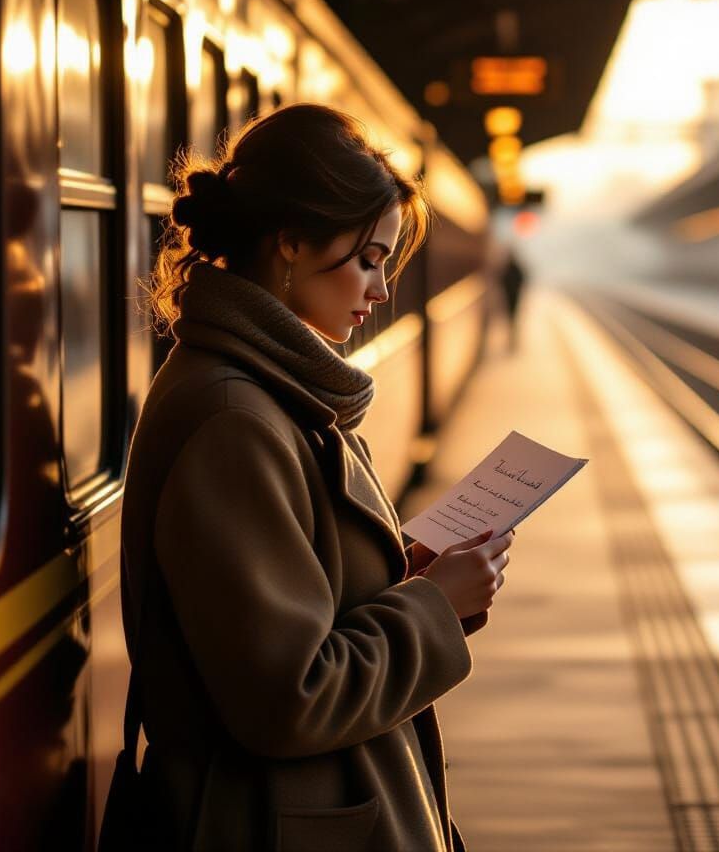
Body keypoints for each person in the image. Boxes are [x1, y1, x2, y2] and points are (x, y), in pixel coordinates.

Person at [118, 104, 512, 851]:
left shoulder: (275, 390)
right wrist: (430, 606)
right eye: (368, 258)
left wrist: (407, 573)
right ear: (291, 241)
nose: (382, 289)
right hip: (277, 825)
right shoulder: (235, 418)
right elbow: (287, 696)